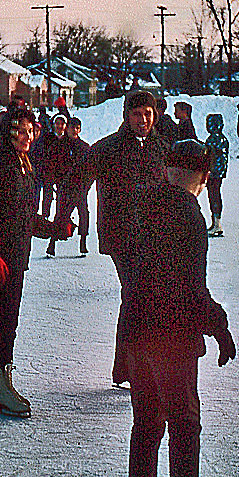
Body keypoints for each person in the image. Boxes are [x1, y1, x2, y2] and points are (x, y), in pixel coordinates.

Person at [123, 139, 235, 477]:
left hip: (137, 331)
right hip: (171, 337)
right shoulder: (189, 215)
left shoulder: (142, 206)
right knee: (184, 422)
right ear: (202, 178)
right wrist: (219, 326)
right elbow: (190, 286)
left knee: (148, 423)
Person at [56, 90, 171, 386]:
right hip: (122, 236)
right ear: (126, 116)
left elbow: (178, 186)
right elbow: (77, 180)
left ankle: (128, 369)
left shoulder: (161, 146)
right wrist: (62, 217)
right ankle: (133, 370)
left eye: (148, 113)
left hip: (155, 237)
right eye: (137, 114)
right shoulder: (109, 148)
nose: (143, 120)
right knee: (136, 295)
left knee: (143, 298)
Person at [0, 107, 67, 417]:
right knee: (1, 319)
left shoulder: (24, 168)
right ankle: (2, 385)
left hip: (16, 257)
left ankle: (4, 380)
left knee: (9, 320)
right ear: (6, 133)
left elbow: (22, 218)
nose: (26, 137)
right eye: (20, 131)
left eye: (30, 131)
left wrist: (53, 228)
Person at [47, 116, 90, 257]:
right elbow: (52, 164)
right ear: (68, 128)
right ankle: (52, 243)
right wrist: (56, 181)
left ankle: (83, 241)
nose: (74, 130)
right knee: (60, 215)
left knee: (84, 214)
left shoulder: (84, 147)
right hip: (64, 187)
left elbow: (91, 169)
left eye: (77, 128)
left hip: (80, 188)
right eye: (72, 127)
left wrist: (86, 185)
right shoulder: (59, 145)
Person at [204, 113, 229, 237]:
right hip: (217, 173)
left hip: (214, 173)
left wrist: (210, 170)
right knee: (214, 195)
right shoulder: (221, 138)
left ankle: (217, 224)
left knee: (213, 196)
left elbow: (212, 157)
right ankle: (215, 223)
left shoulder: (214, 139)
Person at [40, 113, 67, 222]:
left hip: (62, 172)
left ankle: (59, 217)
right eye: (57, 123)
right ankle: (44, 216)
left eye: (62, 124)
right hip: (49, 171)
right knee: (47, 196)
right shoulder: (48, 138)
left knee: (61, 196)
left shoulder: (67, 139)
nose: (59, 126)